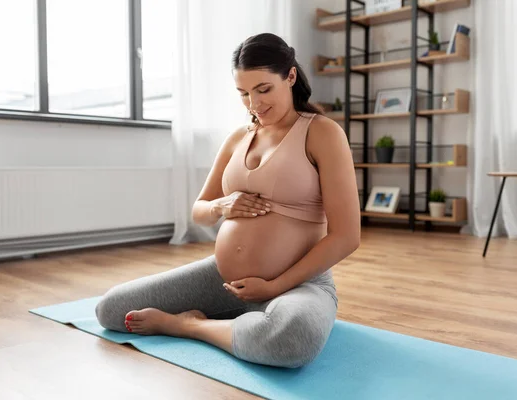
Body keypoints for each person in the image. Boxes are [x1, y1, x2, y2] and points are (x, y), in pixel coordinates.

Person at [95, 33, 361, 368]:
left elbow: (347, 236)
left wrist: (273, 286)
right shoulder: (238, 138)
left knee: (292, 339)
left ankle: (191, 326)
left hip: (298, 284)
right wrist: (224, 205)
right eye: (244, 94)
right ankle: (240, 325)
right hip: (223, 280)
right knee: (111, 310)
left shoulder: (322, 133)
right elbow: (200, 211)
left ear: (290, 77)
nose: (254, 104)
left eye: (263, 89)